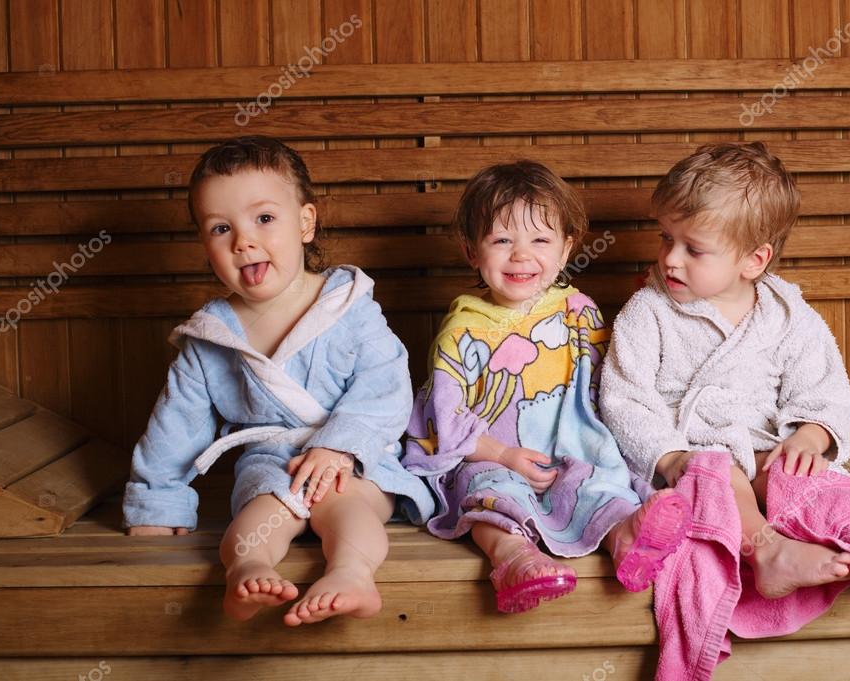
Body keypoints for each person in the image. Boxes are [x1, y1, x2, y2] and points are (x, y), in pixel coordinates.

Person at [122, 136, 434, 626]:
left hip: (354, 462)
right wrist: (157, 504)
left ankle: (352, 574)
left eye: (264, 219)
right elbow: (174, 426)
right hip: (274, 462)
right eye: (221, 228)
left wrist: (341, 447)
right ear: (205, 245)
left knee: (346, 509)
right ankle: (247, 572)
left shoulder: (349, 306)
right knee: (254, 521)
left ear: (305, 222)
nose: (243, 241)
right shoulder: (212, 337)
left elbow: (385, 384)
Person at [600, 141, 850, 597]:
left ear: (755, 260)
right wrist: (670, 458)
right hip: (688, 454)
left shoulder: (787, 314)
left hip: (764, 448)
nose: (670, 258)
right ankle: (768, 554)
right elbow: (624, 397)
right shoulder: (648, 311)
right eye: (666, 238)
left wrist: (811, 435)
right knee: (719, 474)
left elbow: (825, 389)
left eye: (694, 248)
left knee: (800, 474)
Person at [403, 160, 691, 614]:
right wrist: (502, 455)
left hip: (567, 451)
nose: (521, 255)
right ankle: (513, 558)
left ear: (565, 248)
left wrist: (601, 448)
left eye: (540, 240)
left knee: (601, 483)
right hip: (490, 455)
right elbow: (446, 419)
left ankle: (625, 538)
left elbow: (605, 387)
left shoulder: (579, 312)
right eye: (502, 240)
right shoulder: (463, 332)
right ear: (471, 252)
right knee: (486, 492)